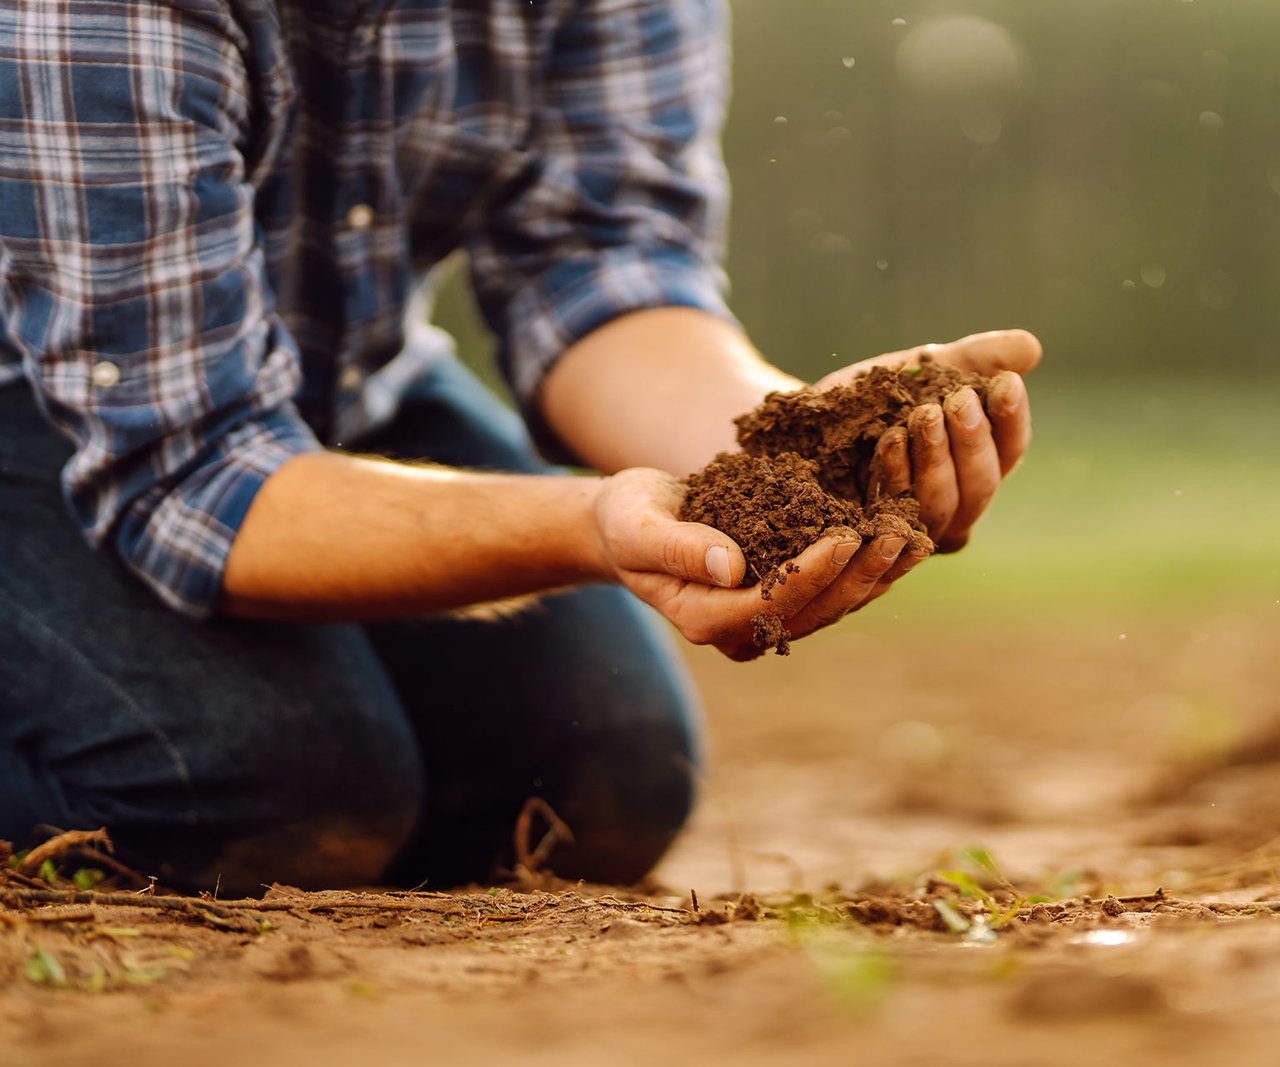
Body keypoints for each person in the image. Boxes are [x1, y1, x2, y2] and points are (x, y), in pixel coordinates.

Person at [0, 1, 1039, 892]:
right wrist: (589, 526)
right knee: (260, 791)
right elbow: (194, 470)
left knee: (599, 780)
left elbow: (597, 265)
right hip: (57, 398)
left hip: (341, 381)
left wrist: (802, 440)